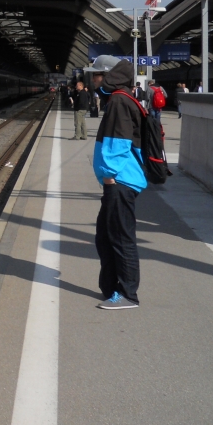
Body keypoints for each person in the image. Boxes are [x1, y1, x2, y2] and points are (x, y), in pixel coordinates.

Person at [87, 55, 146, 310]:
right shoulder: (118, 99)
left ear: (108, 76)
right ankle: (111, 288)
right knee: (106, 237)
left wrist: (109, 175)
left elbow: (119, 142)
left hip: (120, 181)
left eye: (97, 74)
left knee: (121, 238)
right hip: (118, 180)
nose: (93, 78)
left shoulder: (119, 101)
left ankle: (127, 294)